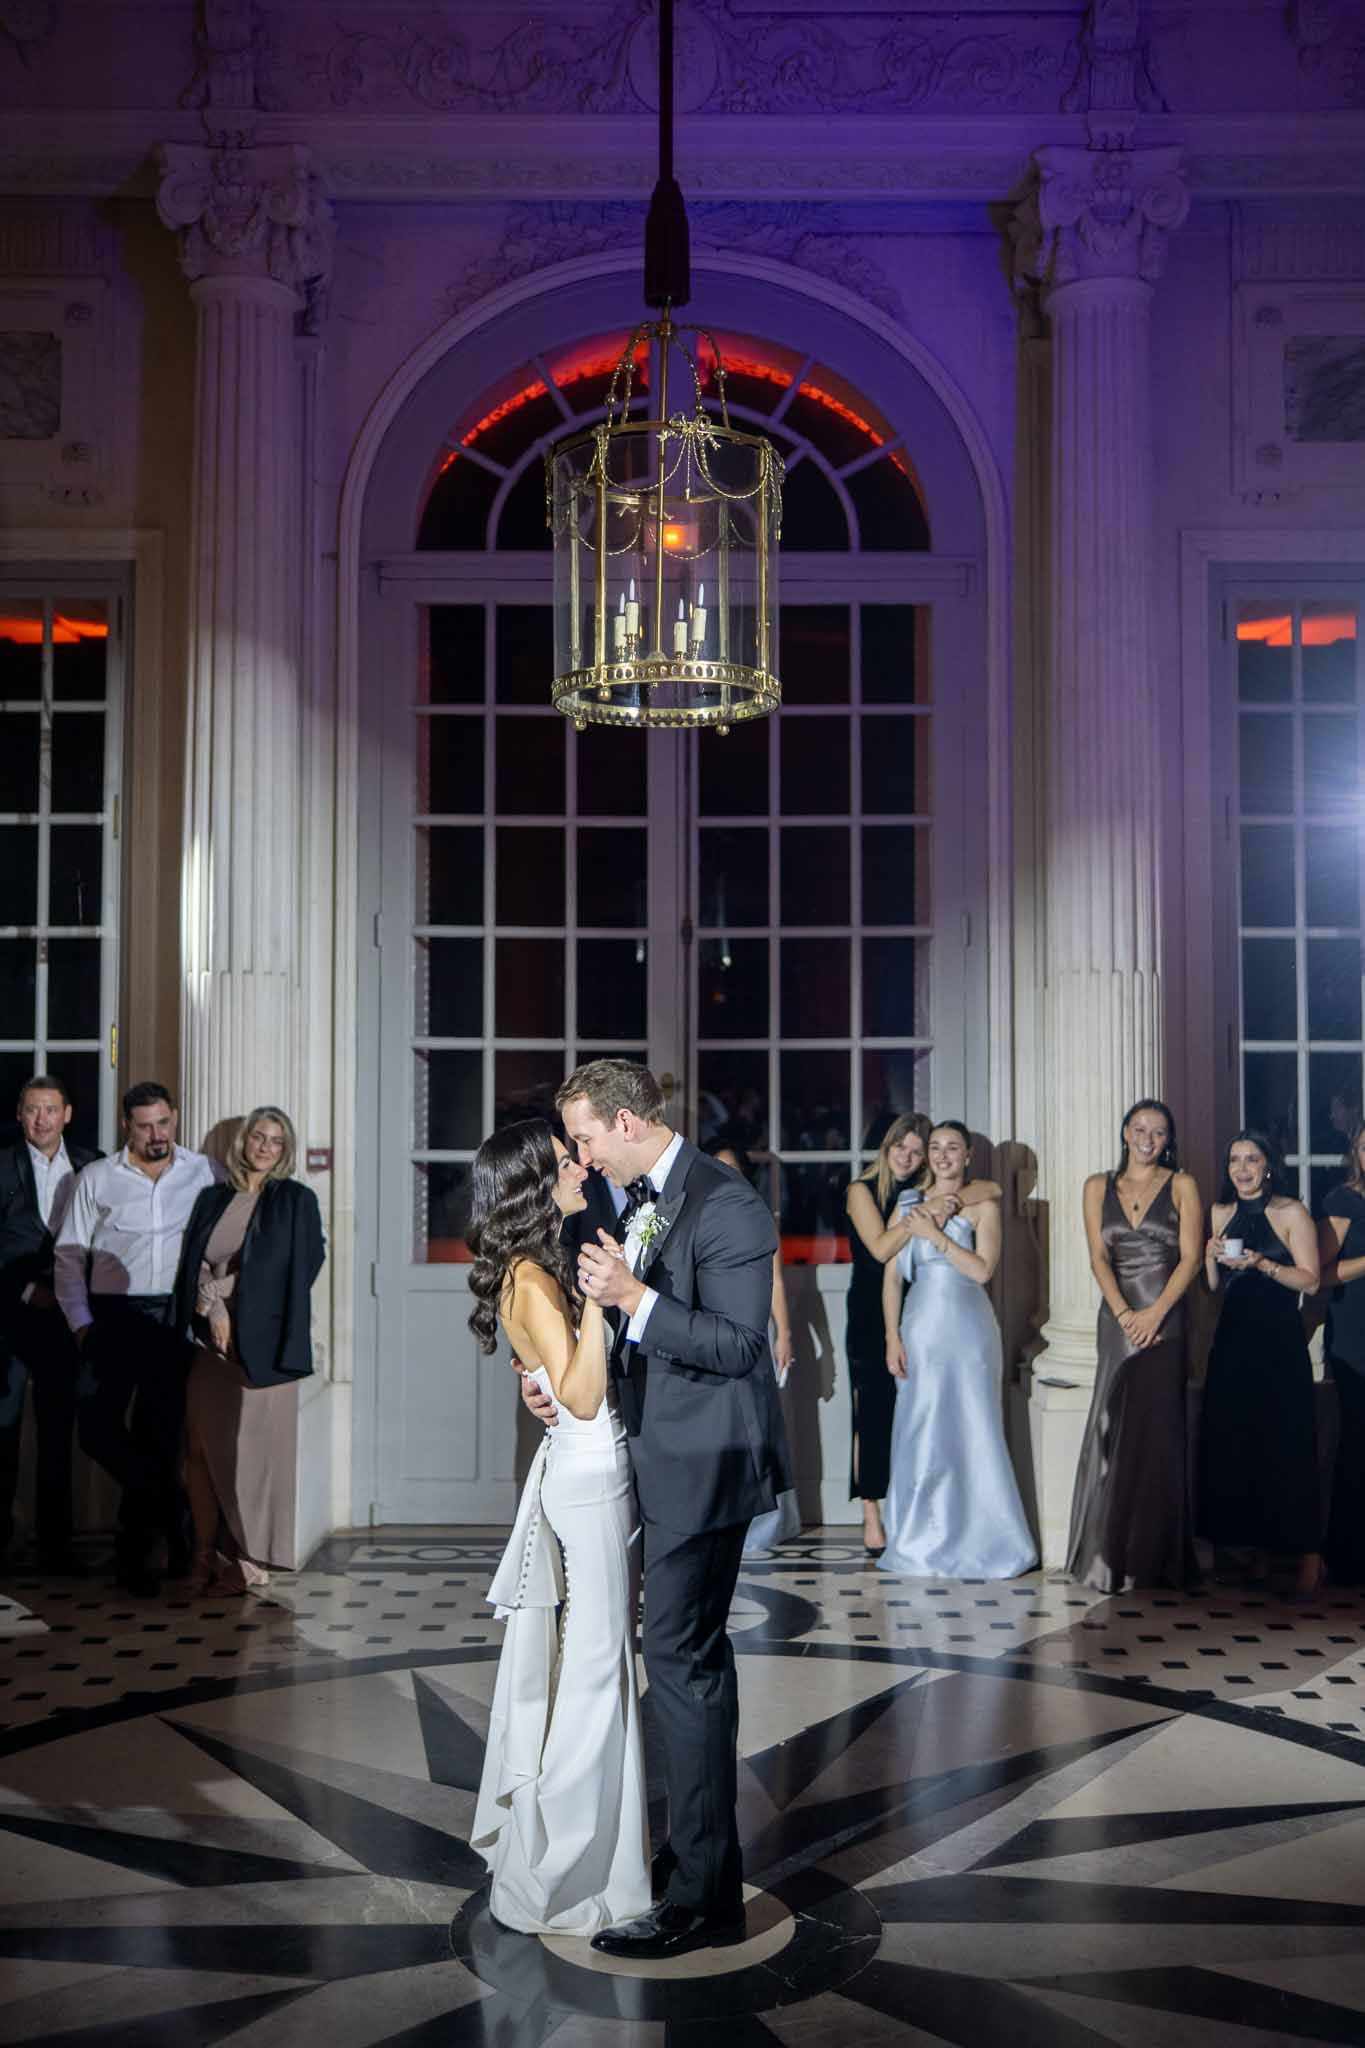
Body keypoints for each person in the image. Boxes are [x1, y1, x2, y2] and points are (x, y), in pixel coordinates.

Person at [522, 1059, 788, 1961]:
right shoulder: (630, 1193)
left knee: (681, 1663)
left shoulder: (727, 1205)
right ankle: (694, 1850)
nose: (581, 1155)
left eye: (587, 1137)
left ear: (628, 1122)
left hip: (705, 1464)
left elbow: (741, 1344)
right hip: (650, 1452)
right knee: (682, 1664)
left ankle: (702, 1896)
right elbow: (609, 1315)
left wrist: (636, 1300)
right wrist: (556, 1385)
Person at [467, 1118, 650, 1936]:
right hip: (585, 1473)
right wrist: (608, 1302)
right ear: (530, 1183)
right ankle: (569, 1869)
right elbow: (579, 1396)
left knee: (597, 1662)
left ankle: (597, 1851)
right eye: (562, 1160)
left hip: (584, 1471)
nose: (578, 1165)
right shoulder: (534, 1281)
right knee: (595, 1673)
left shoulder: (538, 1268)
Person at [54, 1082, 219, 1596]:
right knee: (97, 1429)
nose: (157, 1135)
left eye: (164, 1123)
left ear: (174, 1117)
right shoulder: (97, 1177)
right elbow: (68, 1254)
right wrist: (81, 1323)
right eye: (146, 1125)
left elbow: (221, 1243)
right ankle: (171, 1509)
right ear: (127, 1125)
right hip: (112, 1316)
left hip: (171, 1317)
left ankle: (140, 1558)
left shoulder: (203, 1172)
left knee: (160, 1434)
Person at [172, 1108, 325, 1597]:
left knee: (252, 1461)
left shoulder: (295, 1200)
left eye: (276, 1141)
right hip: (208, 1343)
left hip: (265, 1345)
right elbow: (190, 1260)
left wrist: (219, 1296)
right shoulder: (213, 1197)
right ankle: (203, 1552)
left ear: (286, 1151)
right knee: (198, 1453)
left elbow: (293, 1268)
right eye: (257, 1137)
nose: (264, 1147)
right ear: (242, 1143)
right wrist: (208, 1303)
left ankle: (246, 1557)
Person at [879, 1120, 1036, 1580]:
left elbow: (983, 1271)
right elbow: (891, 1278)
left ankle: (988, 1539)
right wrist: (892, 1336)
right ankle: (918, 1540)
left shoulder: (984, 1206)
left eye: (953, 1148)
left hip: (968, 1331)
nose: (943, 1156)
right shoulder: (908, 1205)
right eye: (936, 1148)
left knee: (972, 1428)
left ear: (968, 1156)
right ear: (927, 1156)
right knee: (920, 1428)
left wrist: (939, 1240)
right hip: (920, 1329)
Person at [1066, 1099, 1203, 1592]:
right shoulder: (1096, 1185)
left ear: (1169, 1140)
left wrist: (1155, 1313)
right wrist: (1125, 1314)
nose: (1148, 1138)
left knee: (1159, 1435)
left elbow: (1189, 1259)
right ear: (1125, 1131)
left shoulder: (1182, 1184)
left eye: (1159, 1132)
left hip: (1165, 1320)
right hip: (1117, 1321)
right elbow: (1098, 1258)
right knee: (1112, 1427)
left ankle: (1155, 1561)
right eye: (1140, 1128)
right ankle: (1106, 1557)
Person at [845, 1115, 998, 1556]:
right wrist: (927, 1214)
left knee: (913, 1417)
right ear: (887, 1146)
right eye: (902, 1148)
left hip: (925, 1309)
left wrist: (941, 1202)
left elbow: (993, 1190)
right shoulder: (863, 1191)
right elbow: (880, 1248)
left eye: (918, 1150)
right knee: (871, 1413)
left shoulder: (931, 1192)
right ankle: (871, 1511)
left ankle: (914, 1509)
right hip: (872, 1312)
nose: (908, 1158)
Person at [1199, 1129, 1322, 1597]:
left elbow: (1310, 1283)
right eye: (1235, 1160)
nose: (1243, 1169)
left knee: (1287, 1447)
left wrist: (1263, 1265)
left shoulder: (1290, 1212)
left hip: (1278, 1343)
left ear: (1268, 1165)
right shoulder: (1220, 1212)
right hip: (1232, 1342)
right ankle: (1255, 1552)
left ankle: (1310, 1557)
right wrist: (1211, 1258)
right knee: (1236, 1444)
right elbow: (1212, 1289)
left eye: (1252, 1159)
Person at [0, 1076, 101, 1573]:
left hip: (68, 1319)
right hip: (9, 1321)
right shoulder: (1, 1166)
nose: (41, 1119)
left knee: (60, 1430)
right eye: (32, 1109)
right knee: (4, 1428)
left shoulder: (93, 1165)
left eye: (50, 1109)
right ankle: (3, 1539)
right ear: (19, 1115)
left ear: (67, 1114)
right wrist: (24, 1289)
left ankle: (55, 1542)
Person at [702, 1133, 798, 1557]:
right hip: (708, 1333)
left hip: (752, 1333)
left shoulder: (758, 1216)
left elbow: (775, 1279)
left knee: (758, 1423)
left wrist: (785, 1334)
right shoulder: (693, 1213)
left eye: (732, 1169)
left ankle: (762, 1520)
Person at [1319, 1123, 1365, 1585]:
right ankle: (1349, 1557)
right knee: (1358, 1445)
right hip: (1356, 1336)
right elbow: (1324, 1274)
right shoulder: (1341, 1202)